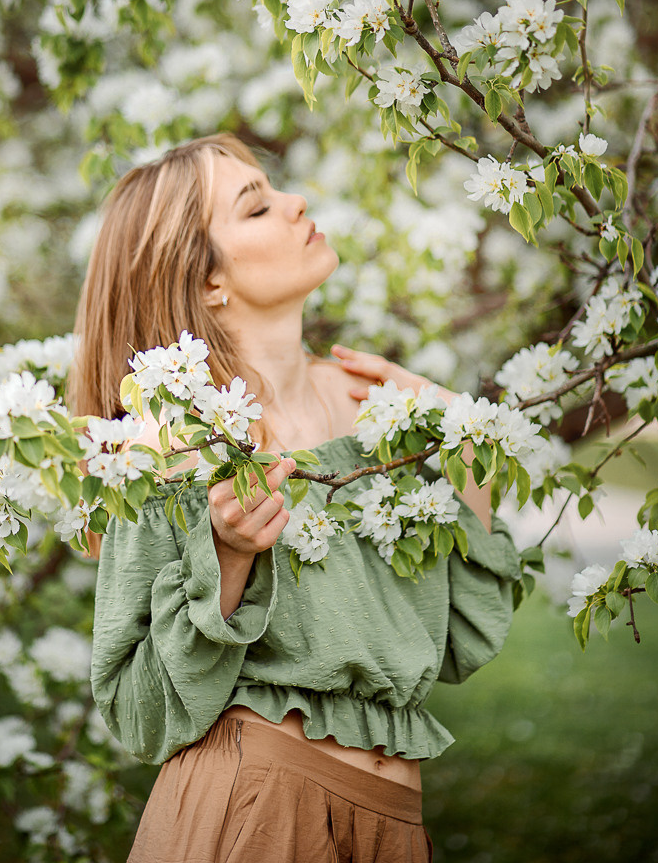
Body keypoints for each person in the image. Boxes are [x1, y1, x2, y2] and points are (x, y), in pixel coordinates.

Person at [69, 133, 520, 863]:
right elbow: (140, 713)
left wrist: (466, 453)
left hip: (396, 822)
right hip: (256, 811)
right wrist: (229, 556)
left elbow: (462, 641)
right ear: (208, 277)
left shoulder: (380, 409)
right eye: (257, 208)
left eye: (275, 190)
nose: (296, 201)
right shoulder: (175, 443)